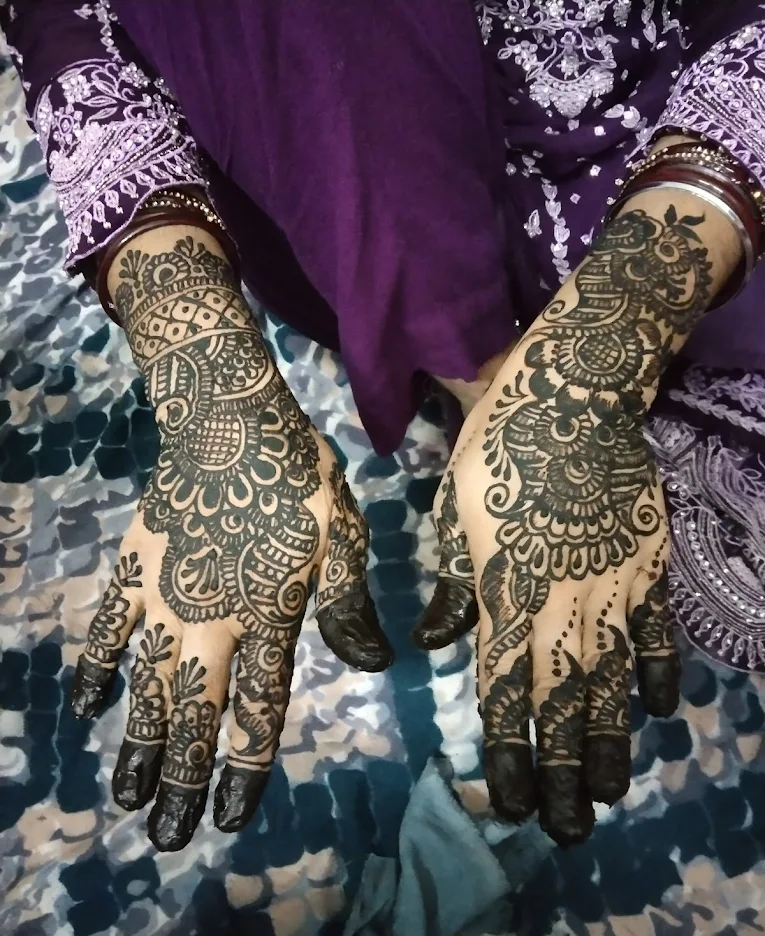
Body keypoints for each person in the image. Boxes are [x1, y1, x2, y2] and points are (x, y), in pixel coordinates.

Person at [3, 0, 764, 853]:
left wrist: (598, 355)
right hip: (344, 162)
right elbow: (67, 21)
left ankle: (509, 379)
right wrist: (207, 371)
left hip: (665, 107)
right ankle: (471, 371)